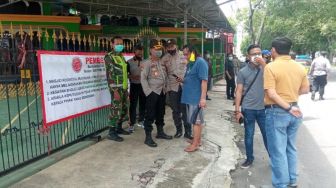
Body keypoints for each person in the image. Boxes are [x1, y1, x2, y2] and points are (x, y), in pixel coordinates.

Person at [264, 37, 310, 188]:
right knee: (290, 147)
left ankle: (281, 184)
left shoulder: (271, 67)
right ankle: (292, 179)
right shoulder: (299, 67)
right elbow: (305, 89)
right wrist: (290, 102)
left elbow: (271, 93)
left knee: (278, 151)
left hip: (277, 112)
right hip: (295, 111)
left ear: (274, 50)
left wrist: (287, 107)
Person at [234, 44, 268, 169]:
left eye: (259, 53)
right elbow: (239, 91)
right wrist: (237, 110)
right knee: (249, 135)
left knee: (267, 135)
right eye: (254, 54)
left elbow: (273, 77)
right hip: (248, 109)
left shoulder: (266, 68)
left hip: (264, 109)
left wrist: (263, 64)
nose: (257, 56)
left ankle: (274, 159)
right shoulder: (243, 72)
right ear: (248, 56)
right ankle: (249, 158)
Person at [141, 39, 173, 147]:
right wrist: (148, 92)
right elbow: (143, 78)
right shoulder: (147, 63)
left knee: (161, 113)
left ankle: (160, 132)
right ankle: (148, 137)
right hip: (153, 92)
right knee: (150, 114)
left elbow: (166, 76)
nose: (159, 51)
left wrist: (167, 88)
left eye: (160, 49)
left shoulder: (161, 62)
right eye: (156, 49)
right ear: (150, 50)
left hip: (162, 92)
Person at [162, 39, 192, 139]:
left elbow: (190, 68)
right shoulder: (165, 58)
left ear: (176, 46)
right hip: (172, 87)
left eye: (172, 46)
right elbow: (161, 71)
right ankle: (179, 130)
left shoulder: (184, 55)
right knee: (175, 111)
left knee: (185, 110)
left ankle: (188, 132)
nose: (171, 48)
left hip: (185, 86)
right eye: (168, 47)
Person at [181, 45, 208, 152]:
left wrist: (203, 98)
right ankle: (197, 140)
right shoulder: (191, 63)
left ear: (192, 52)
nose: (185, 56)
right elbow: (190, 78)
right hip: (189, 97)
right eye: (183, 54)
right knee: (195, 121)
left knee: (196, 122)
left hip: (196, 98)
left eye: (186, 54)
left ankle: (195, 144)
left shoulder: (200, 62)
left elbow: (204, 81)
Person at [104, 36, 130, 142]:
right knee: (115, 109)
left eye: (121, 43)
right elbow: (110, 75)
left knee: (124, 108)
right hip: (116, 89)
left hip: (123, 87)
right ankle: (111, 132)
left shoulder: (121, 56)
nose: (120, 45)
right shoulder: (109, 57)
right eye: (117, 43)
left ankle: (119, 128)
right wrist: (114, 91)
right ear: (112, 44)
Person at [127, 45, 146, 132]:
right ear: (134, 52)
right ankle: (131, 124)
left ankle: (141, 121)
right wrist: (132, 76)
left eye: (141, 52)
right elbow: (126, 74)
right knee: (133, 105)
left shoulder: (145, 62)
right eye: (138, 52)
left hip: (143, 85)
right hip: (134, 86)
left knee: (143, 104)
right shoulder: (129, 62)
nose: (140, 53)